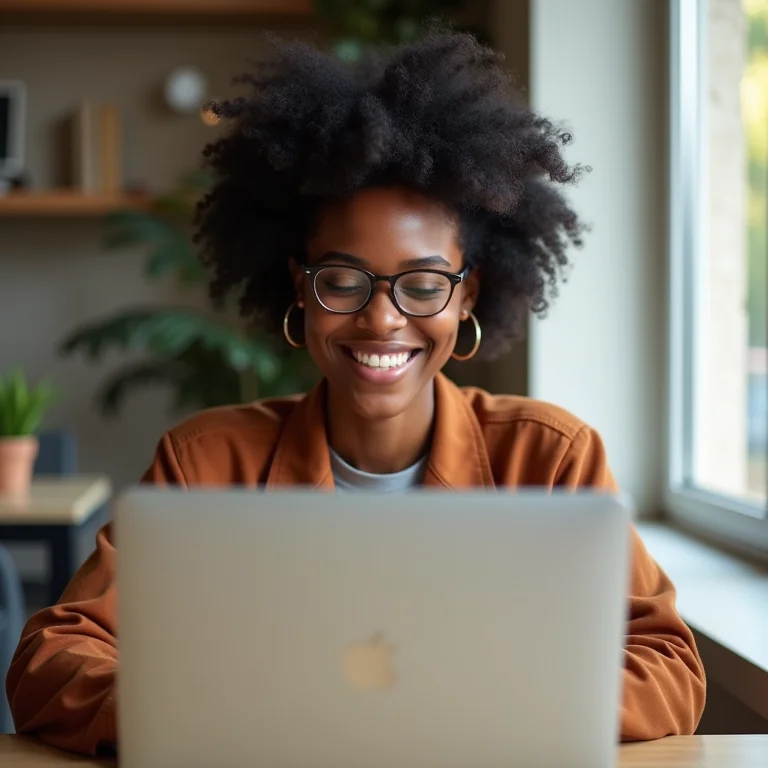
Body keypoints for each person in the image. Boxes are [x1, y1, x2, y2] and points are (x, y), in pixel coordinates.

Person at [6, 28, 705, 756]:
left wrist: (478, 717)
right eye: (342, 279)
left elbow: (668, 666)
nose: (382, 317)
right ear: (298, 288)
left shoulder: (551, 459)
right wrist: (196, 714)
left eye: (424, 284)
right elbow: (51, 658)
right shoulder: (205, 463)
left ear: (469, 295)